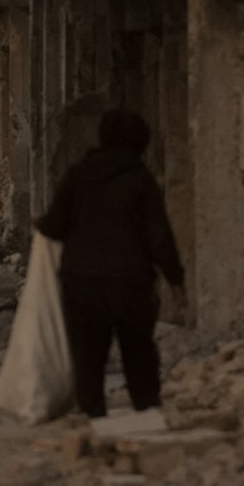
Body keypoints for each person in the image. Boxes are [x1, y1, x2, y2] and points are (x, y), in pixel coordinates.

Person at [37, 110, 186, 419]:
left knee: (88, 355)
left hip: (82, 281)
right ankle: (146, 410)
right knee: (138, 351)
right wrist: (176, 279)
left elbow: (54, 226)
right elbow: (159, 236)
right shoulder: (141, 181)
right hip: (130, 283)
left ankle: (92, 415)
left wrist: (40, 223)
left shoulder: (78, 176)